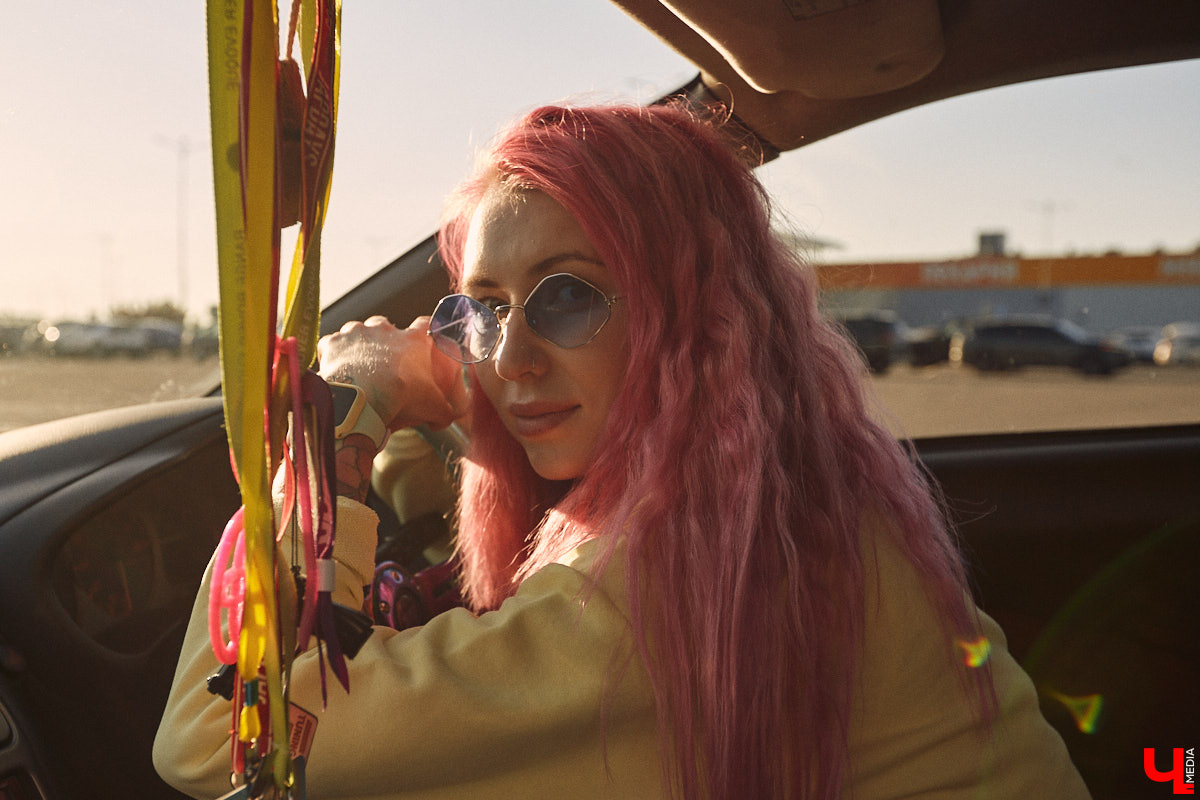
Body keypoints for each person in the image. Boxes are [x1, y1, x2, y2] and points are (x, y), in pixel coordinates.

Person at [154, 104, 1090, 800]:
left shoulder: (673, 584)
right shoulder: (768, 509)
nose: (509, 359)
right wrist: (439, 439)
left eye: (567, 296)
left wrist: (348, 409)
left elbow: (223, 736)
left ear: (697, 322)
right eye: (484, 311)